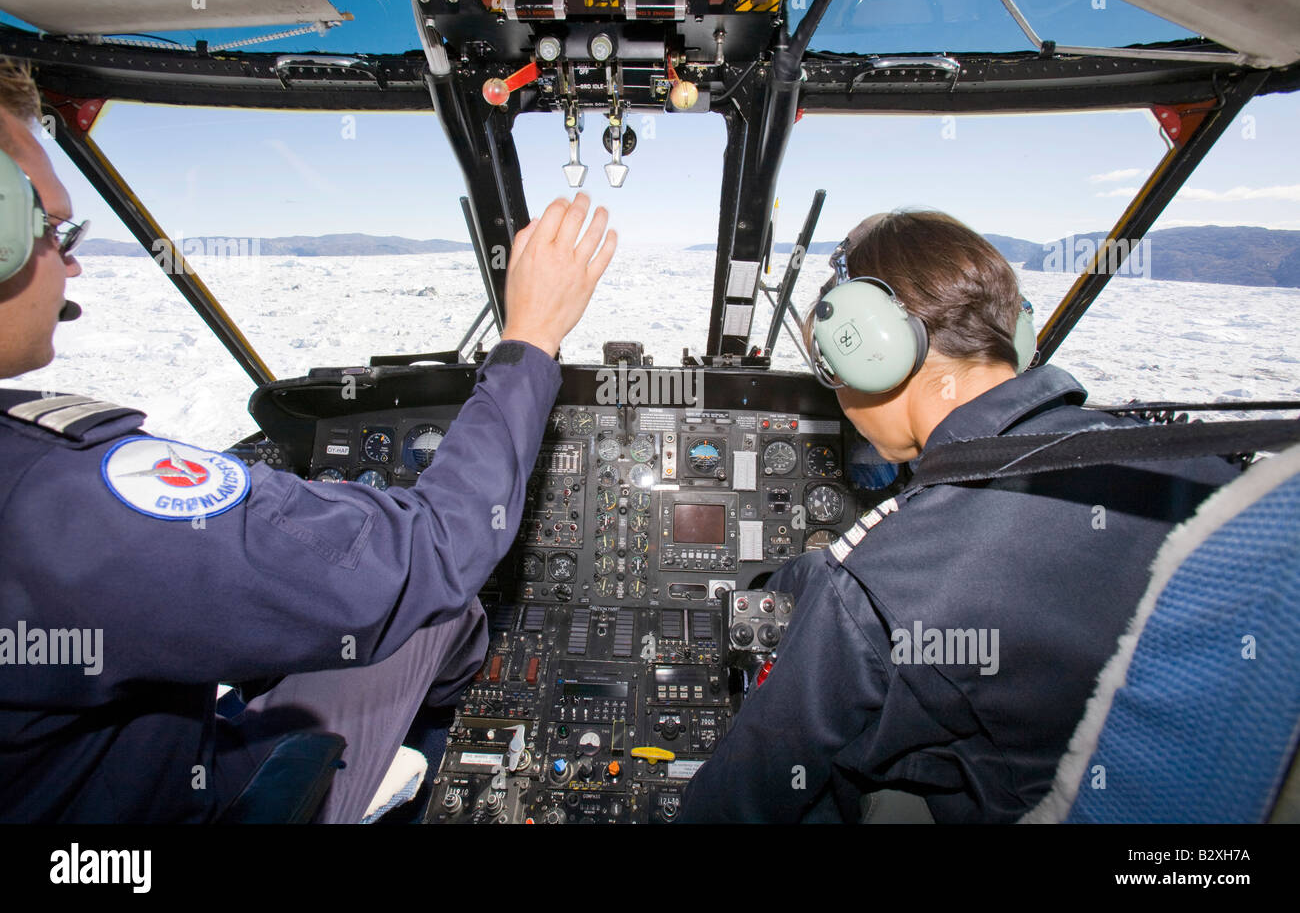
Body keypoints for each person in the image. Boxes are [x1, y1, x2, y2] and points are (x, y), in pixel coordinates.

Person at [0, 58, 618, 822]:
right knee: (440, 609)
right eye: (53, 228)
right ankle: (430, 737)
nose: (72, 260)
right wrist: (531, 337)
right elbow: (429, 554)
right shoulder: (58, 501)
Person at [678, 209, 1239, 823]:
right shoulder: (1201, 471)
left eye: (832, 369)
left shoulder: (881, 586)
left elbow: (743, 799)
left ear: (872, 353)